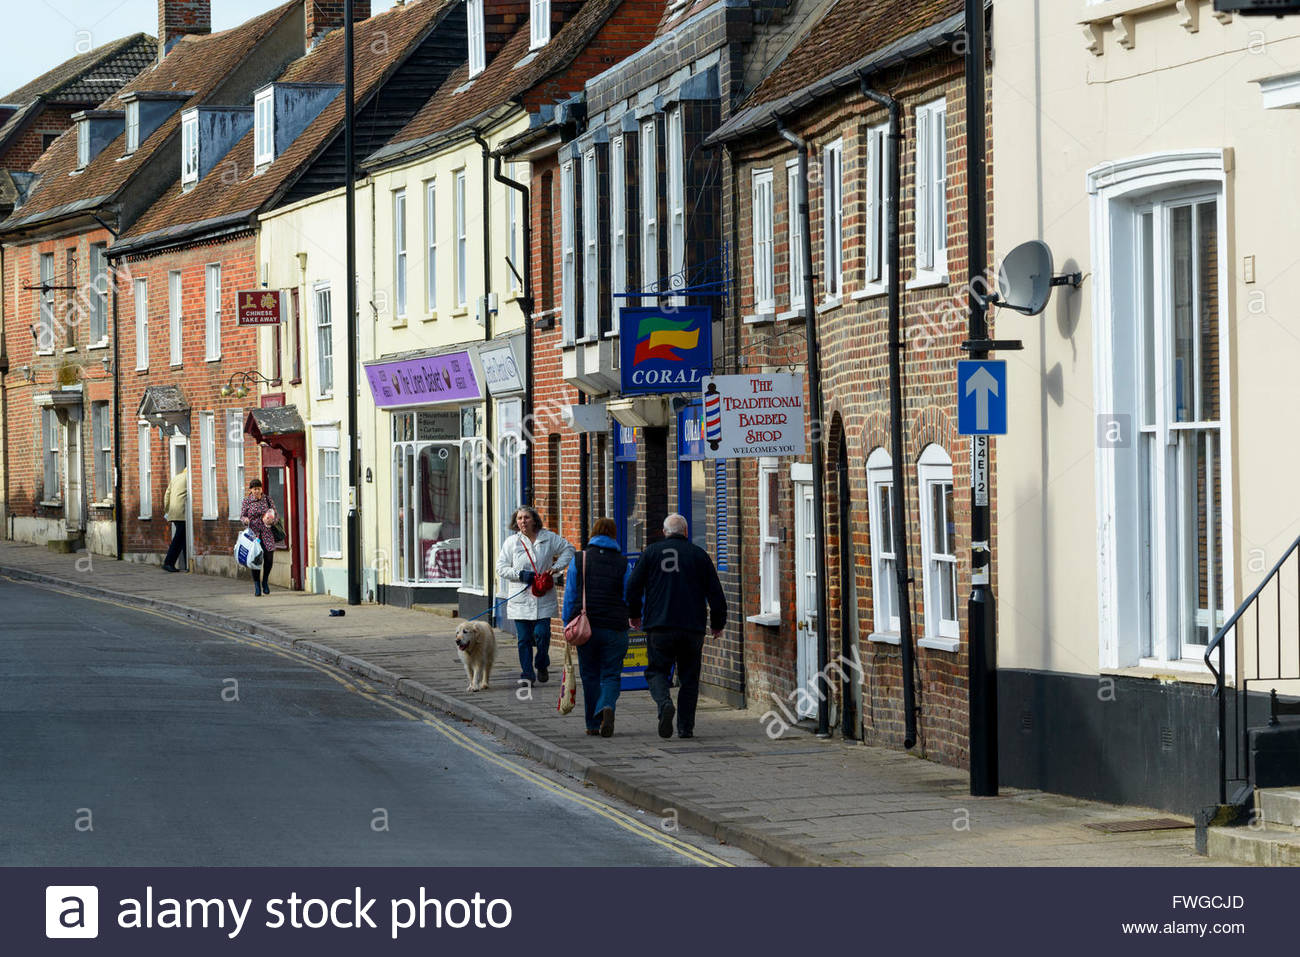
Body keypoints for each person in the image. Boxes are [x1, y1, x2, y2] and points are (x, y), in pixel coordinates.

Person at [626, 513, 727, 739]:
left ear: (664, 532)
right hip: (692, 628)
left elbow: (632, 586)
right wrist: (718, 623)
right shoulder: (699, 555)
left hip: (659, 626)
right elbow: (716, 594)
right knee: (689, 678)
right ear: (686, 532)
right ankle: (685, 728)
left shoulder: (650, 553)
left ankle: (664, 704)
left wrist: (634, 614)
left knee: (656, 672)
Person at [562, 517, 631, 737]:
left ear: (593, 533)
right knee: (611, 674)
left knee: (590, 675)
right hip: (615, 627)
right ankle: (607, 704)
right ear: (613, 535)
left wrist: (566, 624)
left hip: (586, 627)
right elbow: (628, 596)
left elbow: (571, 594)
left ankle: (593, 723)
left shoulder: (579, 559)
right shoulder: (623, 562)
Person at [495, 506, 574, 685]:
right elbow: (501, 568)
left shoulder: (548, 538)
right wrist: (520, 574)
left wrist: (556, 568)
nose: (523, 521)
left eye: (526, 517)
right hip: (520, 597)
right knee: (523, 639)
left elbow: (569, 549)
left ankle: (542, 663)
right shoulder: (511, 542)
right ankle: (527, 674)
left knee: (542, 634)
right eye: (520, 518)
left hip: (543, 595)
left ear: (534, 520)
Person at [240, 478, 278, 597]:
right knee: (255, 559)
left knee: (269, 559)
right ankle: (257, 585)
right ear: (250, 490)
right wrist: (245, 520)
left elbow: (275, 515)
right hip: (254, 535)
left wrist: (272, 520)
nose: (257, 491)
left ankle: (265, 581)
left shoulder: (267, 500)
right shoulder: (247, 501)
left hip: (267, 533)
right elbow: (242, 516)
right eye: (254, 489)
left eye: (259, 489)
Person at [161, 466, 188, 572]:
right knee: (179, 539)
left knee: (184, 539)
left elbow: (167, 495)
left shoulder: (176, 477)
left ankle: (185, 564)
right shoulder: (189, 478)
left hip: (174, 512)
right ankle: (168, 562)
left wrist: (167, 510)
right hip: (183, 513)